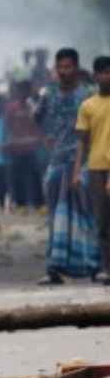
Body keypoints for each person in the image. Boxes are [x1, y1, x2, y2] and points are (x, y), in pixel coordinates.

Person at [38, 48, 100, 285]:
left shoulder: (88, 95)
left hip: (85, 162)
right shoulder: (48, 95)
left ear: (76, 68)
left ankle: (95, 265)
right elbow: (39, 119)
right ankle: (54, 267)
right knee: (56, 215)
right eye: (60, 67)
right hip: (56, 162)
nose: (64, 72)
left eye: (68, 67)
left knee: (87, 214)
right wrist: (48, 140)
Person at [73, 55, 110, 284]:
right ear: (95, 76)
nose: (107, 76)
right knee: (102, 221)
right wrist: (77, 171)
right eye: (103, 72)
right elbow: (82, 142)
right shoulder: (87, 106)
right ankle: (107, 267)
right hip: (96, 167)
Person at [4, 80, 45, 211]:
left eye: (25, 90)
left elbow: (40, 125)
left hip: (32, 148)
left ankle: (39, 204)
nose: (23, 93)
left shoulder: (33, 106)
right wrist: (9, 142)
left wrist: (39, 138)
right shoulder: (12, 107)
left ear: (29, 91)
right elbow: (7, 125)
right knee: (18, 176)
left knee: (34, 176)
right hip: (16, 148)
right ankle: (21, 205)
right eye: (20, 90)